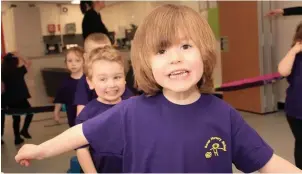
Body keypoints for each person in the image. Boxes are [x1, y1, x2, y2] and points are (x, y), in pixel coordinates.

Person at [15, 4, 301, 173]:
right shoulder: (131, 111)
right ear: (146, 63)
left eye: (186, 46)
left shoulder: (223, 114)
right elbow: (81, 133)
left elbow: (265, 162)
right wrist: (40, 150)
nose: (176, 57)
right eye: (162, 51)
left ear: (204, 54)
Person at [76, 47, 125, 173]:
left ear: (124, 78)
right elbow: (82, 149)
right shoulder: (87, 115)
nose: (111, 84)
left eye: (117, 77)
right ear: (90, 82)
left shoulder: (133, 108)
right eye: (103, 79)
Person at [74, 33, 133, 116]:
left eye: (107, 51)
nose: (102, 56)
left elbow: (131, 100)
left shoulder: (117, 81)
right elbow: (81, 113)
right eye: (95, 53)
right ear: (86, 57)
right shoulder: (84, 82)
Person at [278, 22, 302, 169]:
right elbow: (283, 71)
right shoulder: (295, 56)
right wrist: (294, 51)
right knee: (301, 143)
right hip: (297, 111)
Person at [1, 52, 33, 145]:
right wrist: (19, 55)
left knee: (16, 117)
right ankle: (24, 130)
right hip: (20, 98)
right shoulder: (18, 71)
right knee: (30, 112)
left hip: (9, 99)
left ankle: (17, 138)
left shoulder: (3, 73)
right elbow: (28, 63)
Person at [53, 47, 84, 127]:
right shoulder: (65, 82)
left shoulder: (90, 80)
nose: (73, 64)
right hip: (72, 117)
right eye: (70, 61)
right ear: (66, 63)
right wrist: (56, 112)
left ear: (84, 62)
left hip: (89, 117)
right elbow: (59, 98)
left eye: (77, 60)